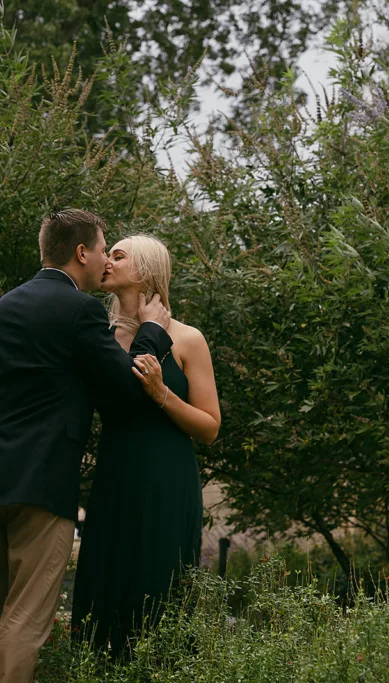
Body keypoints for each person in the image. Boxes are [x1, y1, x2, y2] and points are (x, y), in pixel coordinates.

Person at [0, 210, 174, 683]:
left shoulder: (3, 306)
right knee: (25, 617)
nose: (104, 260)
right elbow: (125, 386)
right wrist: (152, 331)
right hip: (39, 478)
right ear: (81, 253)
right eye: (102, 249)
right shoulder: (81, 310)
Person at [71, 234, 221, 657]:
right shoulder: (98, 337)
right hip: (114, 475)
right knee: (105, 580)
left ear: (148, 271)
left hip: (167, 479)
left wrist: (162, 394)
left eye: (118, 256)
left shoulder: (188, 340)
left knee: (160, 585)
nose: (107, 261)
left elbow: (210, 427)